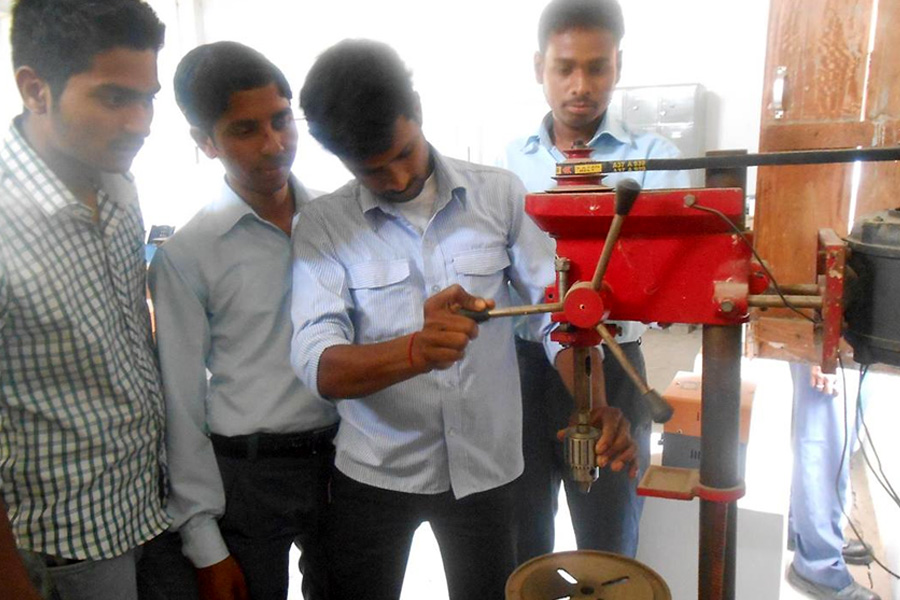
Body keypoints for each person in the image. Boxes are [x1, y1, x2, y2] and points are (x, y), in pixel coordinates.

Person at [291, 39, 638, 600]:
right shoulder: (323, 226)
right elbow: (318, 365)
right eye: (372, 170)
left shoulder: (498, 195)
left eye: (404, 152)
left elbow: (559, 319)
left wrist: (592, 403)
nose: (396, 178)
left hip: (488, 468)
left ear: (417, 111)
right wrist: (415, 351)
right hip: (376, 470)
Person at [148, 42, 339, 600]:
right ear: (205, 141)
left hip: (345, 462)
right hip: (248, 478)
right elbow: (181, 404)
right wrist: (204, 541)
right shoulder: (189, 255)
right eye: (245, 130)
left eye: (281, 120)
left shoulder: (337, 221)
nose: (273, 144)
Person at [503, 0, 691, 562]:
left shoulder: (654, 161)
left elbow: (668, 283)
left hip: (619, 365)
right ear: (538, 67)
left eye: (597, 67)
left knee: (610, 542)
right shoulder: (508, 165)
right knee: (523, 541)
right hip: (525, 375)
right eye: (564, 68)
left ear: (618, 66)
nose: (580, 85)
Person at [0, 1, 170, 599]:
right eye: (115, 98)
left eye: (147, 99)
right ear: (35, 89)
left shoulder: (119, 182)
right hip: (65, 542)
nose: (140, 123)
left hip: (149, 501)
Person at [786, 363, 880, 600]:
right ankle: (818, 564)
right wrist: (820, 356)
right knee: (824, 439)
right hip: (828, 348)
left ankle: (811, 534)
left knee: (839, 432)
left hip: (849, 346)